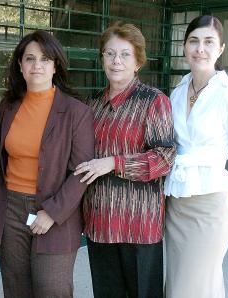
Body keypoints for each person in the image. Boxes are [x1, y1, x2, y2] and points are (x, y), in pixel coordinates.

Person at [0, 30, 94, 297]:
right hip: (11, 209)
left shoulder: (76, 111)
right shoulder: (8, 106)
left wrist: (52, 212)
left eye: (45, 59)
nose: (37, 65)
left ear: (55, 65)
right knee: (16, 287)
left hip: (55, 211)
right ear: (20, 66)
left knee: (52, 289)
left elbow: (81, 172)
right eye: (30, 58)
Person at [74, 22, 176, 298]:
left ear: (138, 62)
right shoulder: (92, 105)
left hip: (139, 225)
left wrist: (113, 163)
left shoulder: (154, 101)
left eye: (125, 54)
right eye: (109, 54)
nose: (116, 61)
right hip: (100, 223)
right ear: (102, 59)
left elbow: (164, 158)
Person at [164, 15, 228, 298]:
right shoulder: (176, 93)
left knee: (192, 287)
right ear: (184, 46)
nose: (200, 49)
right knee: (181, 282)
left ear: (221, 49)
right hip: (175, 204)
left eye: (208, 42)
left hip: (210, 205)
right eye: (193, 41)